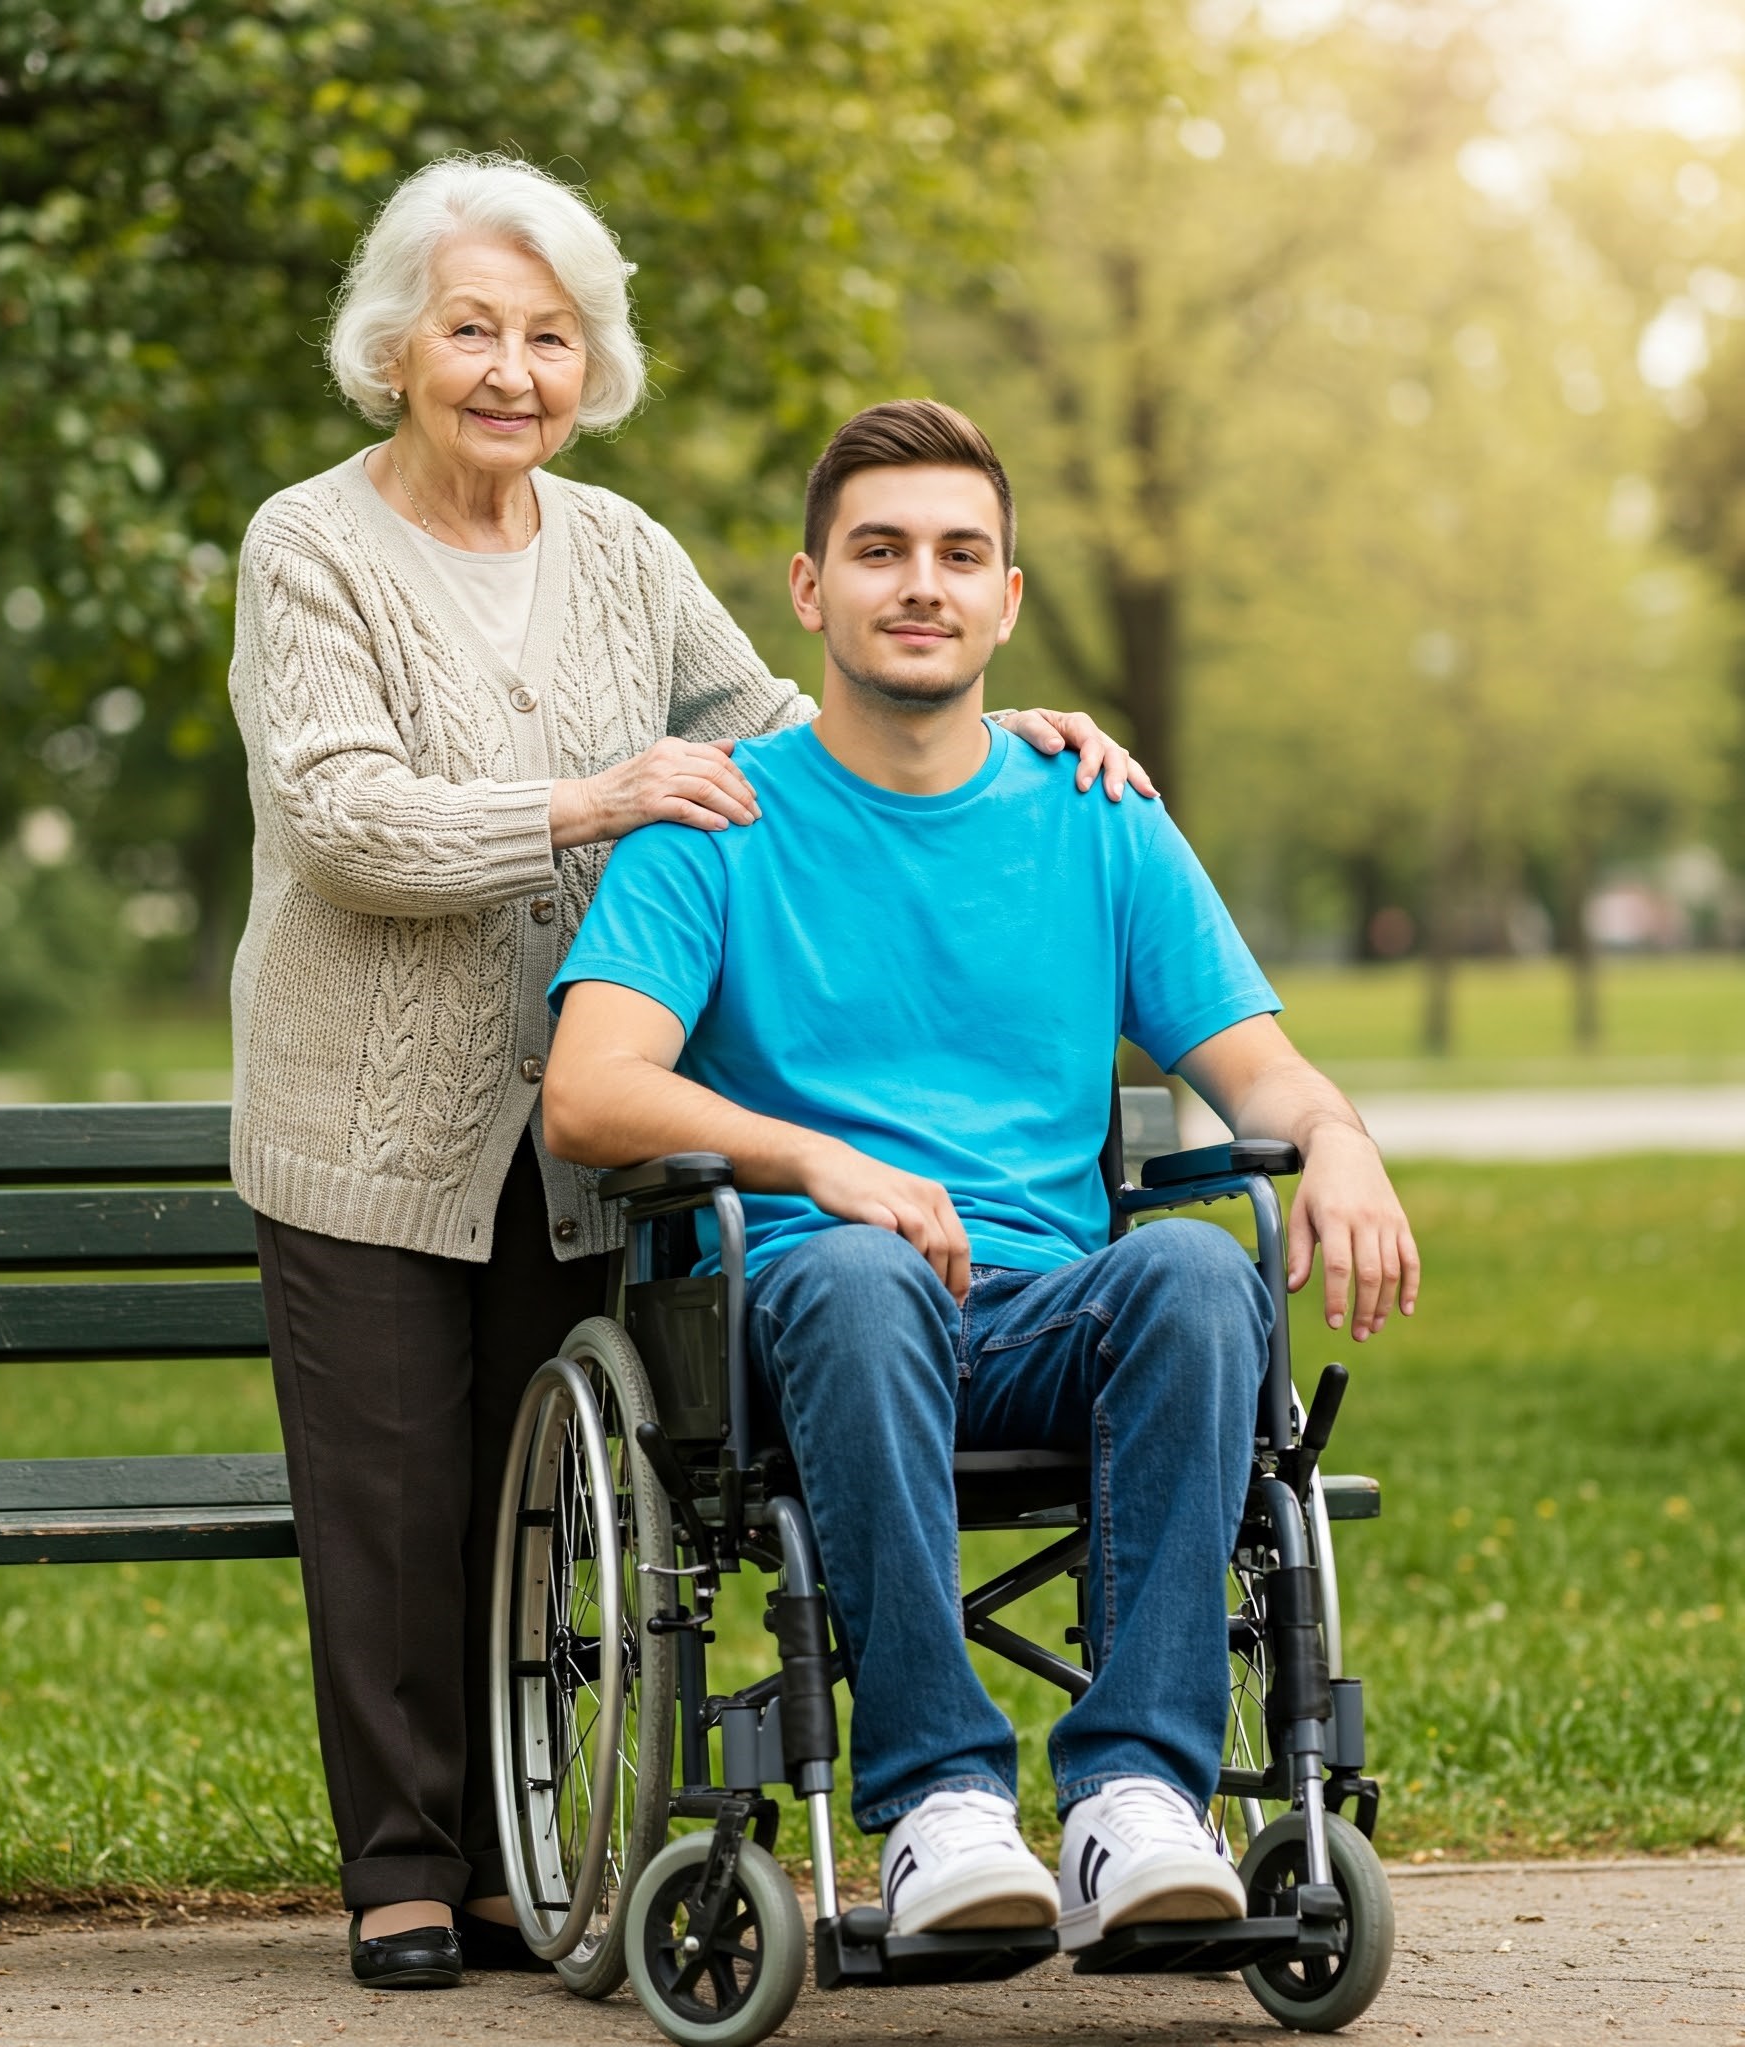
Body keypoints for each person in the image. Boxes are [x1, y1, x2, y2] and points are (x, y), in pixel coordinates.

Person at [226, 160, 1150, 1991]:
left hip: (586, 1116)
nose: (512, 370)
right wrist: (591, 801)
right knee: (395, 1493)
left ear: (590, 366)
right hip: (368, 1112)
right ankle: (406, 1871)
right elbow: (344, 828)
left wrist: (992, 724)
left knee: (534, 1504)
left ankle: (521, 1861)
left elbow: (783, 731)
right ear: (397, 343)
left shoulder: (625, 553)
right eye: (476, 329)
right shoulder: (307, 543)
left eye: (551, 338)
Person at [543, 399, 1420, 1948]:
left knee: (1200, 1268)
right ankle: (941, 1802)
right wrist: (828, 1163)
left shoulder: (1099, 818)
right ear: (810, 591)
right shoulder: (713, 821)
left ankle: (1132, 1800)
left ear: (1008, 598)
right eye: (879, 552)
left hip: (1035, 1318)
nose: (922, 585)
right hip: (799, 1312)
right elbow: (590, 1091)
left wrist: (1339, 1140)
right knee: (862, 1270)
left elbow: (1260, 1069)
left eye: (961, 554)